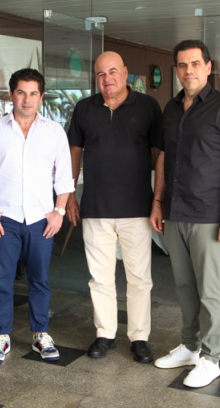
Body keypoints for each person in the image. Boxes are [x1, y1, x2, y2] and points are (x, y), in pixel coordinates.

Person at [149, 40, 220, 388]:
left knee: (210, 290)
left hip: (210, 213)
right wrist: (158, 202)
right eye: (181, 65)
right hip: (175, 211)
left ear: (208, 68)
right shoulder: (172, 109)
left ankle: (210, 358)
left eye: (195, 64)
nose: (188, 70)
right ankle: (190, 346)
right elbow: (163, 158)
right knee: (184, 285)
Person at [66, 51, 162, 363]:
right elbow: (74, 153)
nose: (107, 79)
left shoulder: (148, 107)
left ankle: (139, 337)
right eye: (100, 74)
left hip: (137, 208)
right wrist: (69, 195)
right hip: (96, 207)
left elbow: (160, 156)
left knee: (139, 279)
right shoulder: (84, 108)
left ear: (125, 72)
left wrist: (158, 200)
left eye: (112, 72)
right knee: (100, 278)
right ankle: (105, 333)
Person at [0, 68, 74, 364]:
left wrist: (58, 213)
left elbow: (65, 179)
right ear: (11, 95)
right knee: (2, 280)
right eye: (21, 92)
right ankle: (1, 336)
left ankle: (40, 334)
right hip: (3, 219)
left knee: (40, 279)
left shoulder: (54, 131)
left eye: (33, 93)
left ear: (40, 97)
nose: (27, 99)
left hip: (41, 220)